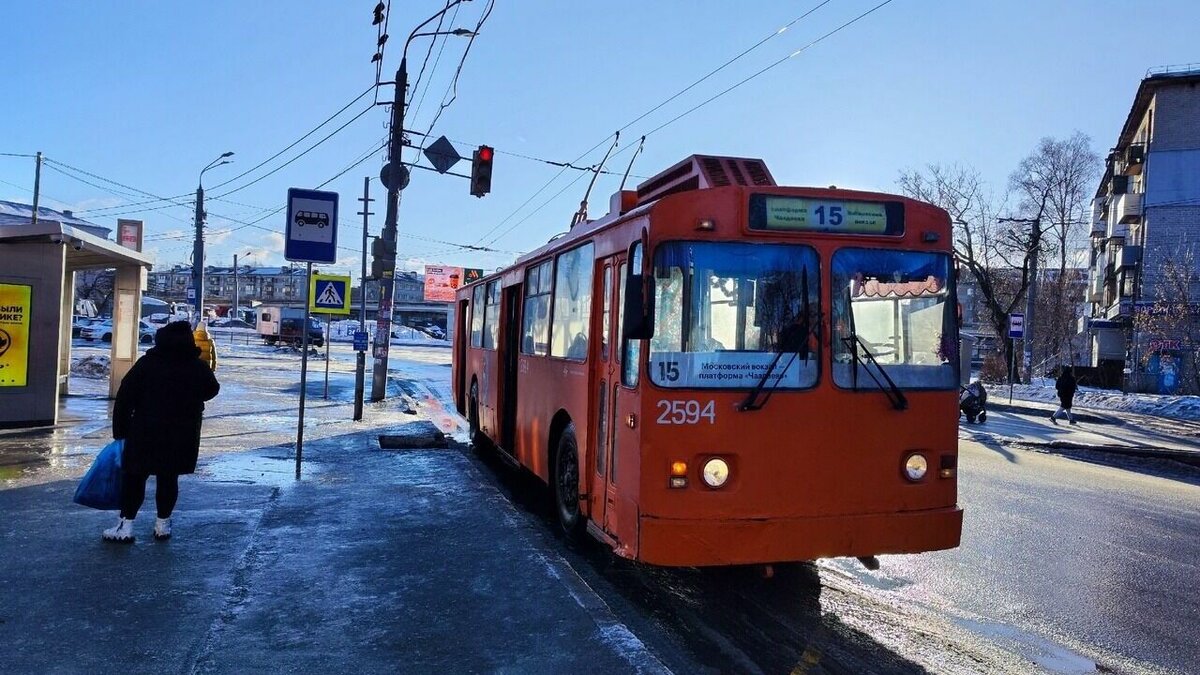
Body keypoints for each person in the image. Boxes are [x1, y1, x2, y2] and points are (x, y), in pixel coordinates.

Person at [103, 321, 220, 542]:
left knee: (135, 478)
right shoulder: (196, 366)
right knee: (169, 479)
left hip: (145, 431)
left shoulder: (147, 364)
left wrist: (120, 431)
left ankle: (126, 526)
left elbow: (125, 397)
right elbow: (212, 389)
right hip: (181, 434)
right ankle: (162, 525)